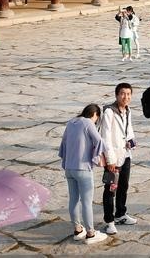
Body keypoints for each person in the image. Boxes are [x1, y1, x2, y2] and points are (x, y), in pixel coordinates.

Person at [59, 104, 108, 245]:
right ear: (95, 115)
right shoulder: (88, 122)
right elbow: (99, 141)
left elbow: (63, 144)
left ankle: (78, 230)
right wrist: (97, 156)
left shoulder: (71, 122)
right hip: (83, 169)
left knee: (73, 199)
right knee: (86, 202)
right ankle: (91, 233)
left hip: (69, 168)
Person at [99, 82, 137, 235]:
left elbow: (129, 131)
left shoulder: (128, 111)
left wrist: (131, 142)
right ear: (116, 95)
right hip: (113, 159)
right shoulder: (109, 112)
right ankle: (109, 221)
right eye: (123, 94)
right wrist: (110, 160)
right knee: (110, 189)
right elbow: (105, 137)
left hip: (125, 155)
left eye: (128, 94)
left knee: (123, 186)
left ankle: (121, 213)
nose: (126, 97)